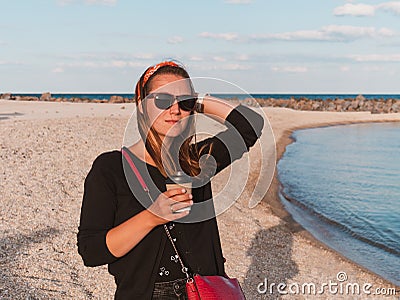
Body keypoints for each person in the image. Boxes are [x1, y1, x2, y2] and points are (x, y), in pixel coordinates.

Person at [77, 61, 264, 299]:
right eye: (162, 100)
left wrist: (199, 102)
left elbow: (250, 125)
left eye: (184, 103)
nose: (175, 110)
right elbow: (91, 252)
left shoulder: (197, 162)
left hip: (205, 292)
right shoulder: (111, 168)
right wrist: (151, 217)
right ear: (142, 106)